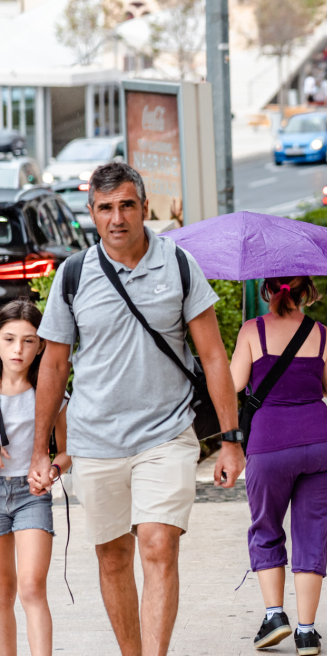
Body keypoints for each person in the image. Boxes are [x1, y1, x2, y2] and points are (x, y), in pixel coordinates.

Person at [28, 162, 245, 656]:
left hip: (165, 434)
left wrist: (231, 440)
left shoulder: (178, 265)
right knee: (113, 557)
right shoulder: (73, 275)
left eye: (127, 205)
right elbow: (54, 365)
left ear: (144, 208)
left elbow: (214, 355)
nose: (117, 217)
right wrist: (42, 450)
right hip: (95, 441)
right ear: (91, 213)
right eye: (106, 208)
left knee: (158, 545)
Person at [230, 276, 327, 656]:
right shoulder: (322, 334)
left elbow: (234, 383)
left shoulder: (253, 331)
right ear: (306, 290)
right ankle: (307, 633)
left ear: (267, 289)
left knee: (266, 527)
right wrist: (304, 384)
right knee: (312, 534)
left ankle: (275, 616)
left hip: (269, 444)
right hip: (321, 443)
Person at [0, 300, 69, 656]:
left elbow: (68, 451)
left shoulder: (50, 392)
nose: (18, 349)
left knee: (31, 587)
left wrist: (53, 471)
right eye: (9, 339)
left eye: (28, 341)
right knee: (2, 592)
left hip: (31, 495)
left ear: (41, 346)